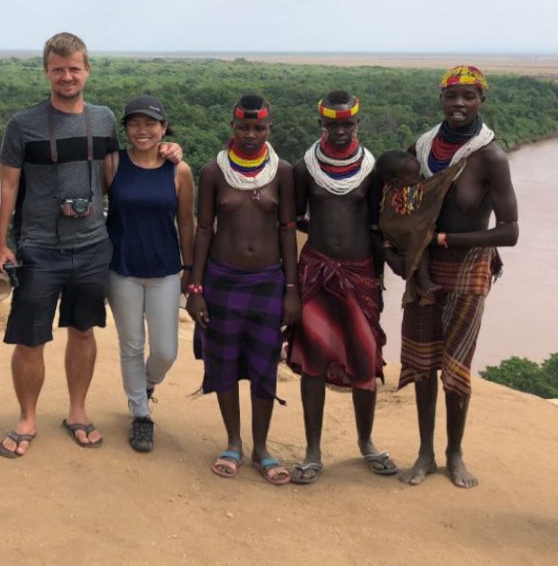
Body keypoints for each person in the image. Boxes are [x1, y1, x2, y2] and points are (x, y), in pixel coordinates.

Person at [0, 33, 179, 457]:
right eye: (58, 69)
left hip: (94, 243)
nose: (67, 76)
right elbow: (7, 184)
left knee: (83, 331)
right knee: (30, 338)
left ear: (87, 69)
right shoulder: (23, 125)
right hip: (39, 245)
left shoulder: (104, 119)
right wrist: (1, 242)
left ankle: (77, 411)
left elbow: (128, 166)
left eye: (74, 68)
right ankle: (27, 417)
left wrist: (169, 150)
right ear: (46, 71)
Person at [397, 65, 518, 489]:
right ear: (441, 100)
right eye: (453, 97)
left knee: (456, 364)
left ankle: (454, 452)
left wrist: (445, 239)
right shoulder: (422, 147)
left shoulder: (490, 157)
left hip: (468, 269)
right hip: (423, 268)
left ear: (482, 100)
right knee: (421, 360)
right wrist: (406, 251)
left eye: (469, 97)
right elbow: (403, 209)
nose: (460, 104)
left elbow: (510, 231)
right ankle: (425, 453)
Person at [186, 94, 299, 485]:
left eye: (259, 128)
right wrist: (195, 288)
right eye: (243, 128)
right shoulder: (213, 172)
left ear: (270, 129)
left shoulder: (282, 171)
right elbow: (204, 230)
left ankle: (262, 448)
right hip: (221, 279)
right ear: (232, 128)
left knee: (264, 364)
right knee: (225, 363)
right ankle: (233, 442)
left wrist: (292, 289)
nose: (251, 135)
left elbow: (287, 230)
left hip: (268, 281)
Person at [286, 91, 394, 485]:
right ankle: (313, 451)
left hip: (360, 274)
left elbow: (377, 227)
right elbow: (295, 219)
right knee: (313, 362)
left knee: (365, 360)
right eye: (333, 124)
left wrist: (378, 281)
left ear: (357, 124)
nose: (341, 130)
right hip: (316, 272)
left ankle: (366, 442)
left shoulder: (372, 169)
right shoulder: (305, 168)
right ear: (322, 125)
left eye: (347, 124)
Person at [104, 95, 194, 453]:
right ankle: (140, 415)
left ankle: (147, 385)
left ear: (163, 128)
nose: (142, 131)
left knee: (166, 350)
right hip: (121, 267)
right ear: (126, 129)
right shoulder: (111, 164)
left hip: (165, 269)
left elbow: (186, 222)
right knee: (131, 345)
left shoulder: (179, 170)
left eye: (151, 124)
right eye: (135, 124)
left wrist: (190, 267)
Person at [376, 150, 462, 305]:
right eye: (415, 177)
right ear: (396, 180)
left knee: (407, 257)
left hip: (393, 236)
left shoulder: (392, 189)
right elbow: (436, 185)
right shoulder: (407, 192)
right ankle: (425, 282)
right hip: (397, 233)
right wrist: (453, 170)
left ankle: (411, 273)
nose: (419, 179)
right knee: (422, 243)